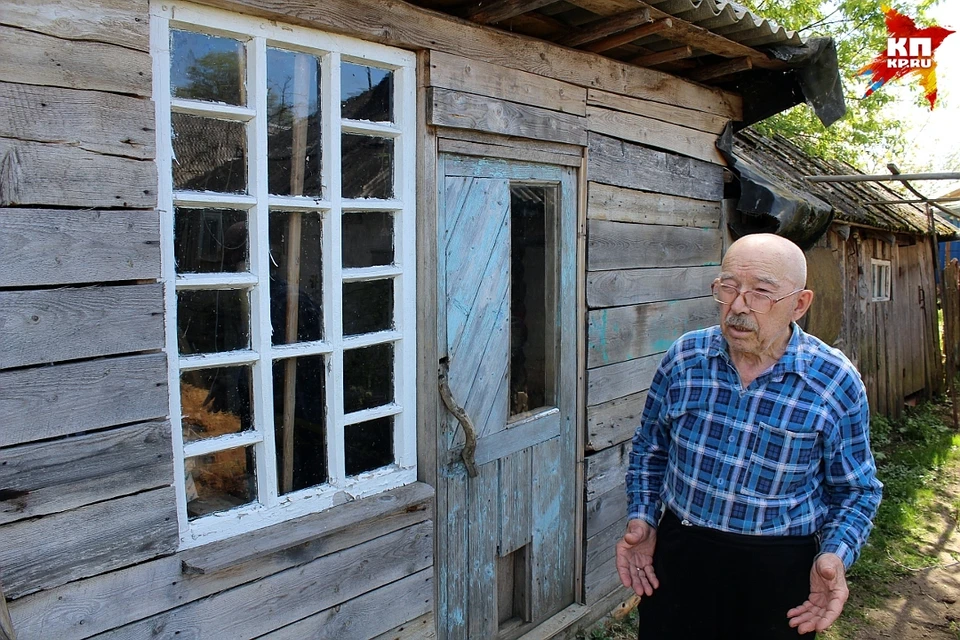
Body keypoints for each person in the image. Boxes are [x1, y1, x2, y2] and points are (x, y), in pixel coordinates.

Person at [615, 233, 882, 639]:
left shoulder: (832, 381)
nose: (739, 305)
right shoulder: (685, 359)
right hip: (680, 555)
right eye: (728, 287)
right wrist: (643, 517)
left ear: (799, 303)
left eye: (761, 292)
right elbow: (650, 452)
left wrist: (834, 554)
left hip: (779, 571)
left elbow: (857, 490)